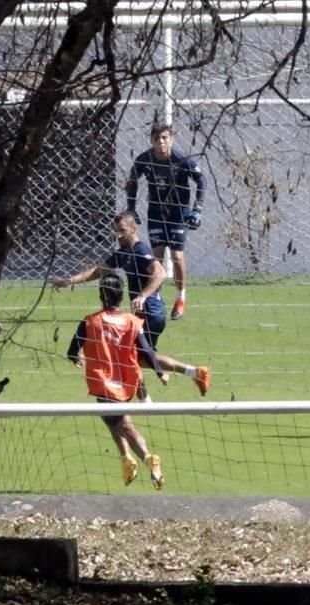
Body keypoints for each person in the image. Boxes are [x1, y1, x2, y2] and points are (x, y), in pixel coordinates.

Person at [51, 213, 210, 399]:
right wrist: (70, 280)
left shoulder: (140, 250)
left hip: (151, 312)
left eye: (122, 231)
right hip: (143, 312)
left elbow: (159, 273)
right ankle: (170, 387)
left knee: (133, 357)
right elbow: (98, 271)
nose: (118, 235)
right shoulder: (124, 253)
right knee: (136, 357)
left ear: (134, 229)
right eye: (116, 232)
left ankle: (187, 377)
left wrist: (142, 296)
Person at [67, 274, 169, 489]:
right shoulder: (132, 321)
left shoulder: (89, 322)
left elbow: (72, 350)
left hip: (104, 383)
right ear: (121, 296)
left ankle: (149, 459)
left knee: (124, 425)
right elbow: (146, 349)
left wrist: (76, 357)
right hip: (126, 382)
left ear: (101, 296)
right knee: (115, 422)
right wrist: (159, 371)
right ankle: (126, 459)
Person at [126, 123, 208, 321]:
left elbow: (202, 181)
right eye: (157, 138)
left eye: (165, 138)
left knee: (177, 256)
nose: (161, 142)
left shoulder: (182, 159)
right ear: (152, 140)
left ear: (171, 139)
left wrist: (197, 210)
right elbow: (132, 182)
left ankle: (181, 298)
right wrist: (131, 208)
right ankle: (156, 298)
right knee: (157, 255)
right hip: (155, 211)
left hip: (178, 213)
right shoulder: (144, 159)